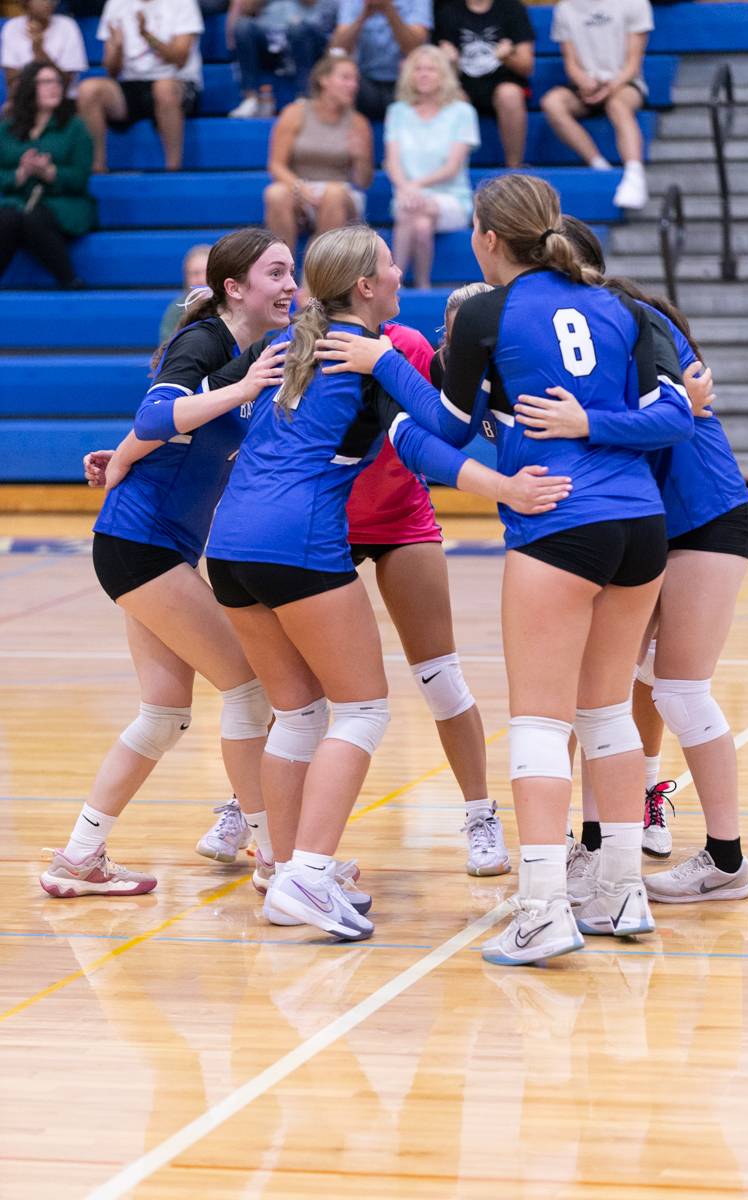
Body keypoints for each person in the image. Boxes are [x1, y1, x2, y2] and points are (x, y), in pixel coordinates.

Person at [315, 174, 694, 964]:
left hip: (560, 524)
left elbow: (446, 427)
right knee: (608, 714)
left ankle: (543, 910)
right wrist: (594, 421)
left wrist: (385, 365)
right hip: (640, 527)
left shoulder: (489, 311)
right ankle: (620, 892)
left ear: (488, 237)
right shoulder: (620, 303)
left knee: (539, 723)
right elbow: (675, 414)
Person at [202, 223, 572, 940]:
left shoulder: (288, 345)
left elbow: (412, 446)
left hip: (231, 543)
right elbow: (445, 431)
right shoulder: (371, 357)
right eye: (388, 264)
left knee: (299, 713)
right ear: (366, 287)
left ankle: (282, 869)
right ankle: (309, 875)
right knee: (363, 712)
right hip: (298, 539)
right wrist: (387, 363)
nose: (401, 269)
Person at [200, 309, 514, 890]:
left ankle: (480, 815)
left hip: (396, 519)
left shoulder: (400, 347)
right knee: (294, 694)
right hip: (317, 526)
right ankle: (258, 816)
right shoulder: (297, 346)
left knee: (438, 678)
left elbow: (430, 431)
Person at [39, 228, 295, 899]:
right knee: (247, 690)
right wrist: (245, 387)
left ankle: (79, 857)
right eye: (277, 273)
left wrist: (118, 458)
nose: (291, 285)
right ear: (235, 287)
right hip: (141, 544)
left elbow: (160, 427)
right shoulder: (208, 339)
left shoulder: (242, 351)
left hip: (152, 542)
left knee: (164, 716)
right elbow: (160, 412)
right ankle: (276, 859)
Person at [513, 216, 748, 904]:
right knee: (603, 693)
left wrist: (591, 423)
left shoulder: (631, 319)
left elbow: (666, 417)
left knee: (677, 689)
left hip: (703, 515)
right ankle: (600, 844)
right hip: (638, 525)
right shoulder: (576, 329)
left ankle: (726, 858)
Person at [540, 0, 653, 210]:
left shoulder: (635, 3)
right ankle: (599, 166)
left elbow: (633, 64)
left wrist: (610, 87)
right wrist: (584, 82)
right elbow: (571, 63)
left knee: (618, 106)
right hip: (586, 86)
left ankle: (635, 174)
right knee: (552, 103)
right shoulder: (565, 8)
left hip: (624, 83)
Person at [384, 44, 479, 289]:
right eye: (418, 69)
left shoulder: (462, 112)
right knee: (421, 224)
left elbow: (452, 167)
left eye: (431, 69)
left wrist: (414, 186)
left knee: (417, 211)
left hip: (450, 198)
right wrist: (406, 188)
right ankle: (418, 285)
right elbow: (392, 161)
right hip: (408, 197)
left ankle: (396, 280)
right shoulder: (397, 112)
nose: (424, 74)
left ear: (443, 75)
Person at [77, 0, 204, 173]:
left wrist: (147, 35)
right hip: (131, 83)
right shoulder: (116, 4)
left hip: (177, 82)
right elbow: (111, 71)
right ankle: (97, 167)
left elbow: (180, 58)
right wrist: (118, 49)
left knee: (164, 89)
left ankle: (173, 169)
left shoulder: (183, 3)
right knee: (88, 90)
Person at [263, 53, 373, 253]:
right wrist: (299, 187)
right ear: (324, 80)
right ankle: (280, 269)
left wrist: (360, 158)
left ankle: (316, 279)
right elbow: (276, 165)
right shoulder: (295, 113)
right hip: (300, 187)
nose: (353, 85)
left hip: (340, 191)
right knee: (275, 193)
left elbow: (363, 182)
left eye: (355, 79)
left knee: (333, 194)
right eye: (346, 78)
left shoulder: (358, 122)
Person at [0, 61, 93, 288]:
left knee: (33, 218)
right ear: (30, 87)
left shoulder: (75, 127)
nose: (54, 88)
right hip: (16, 201)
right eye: (46, 82)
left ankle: (68, 279)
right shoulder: (7, 128)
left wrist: (50, 173)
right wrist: (20, 174)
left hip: (63, 204)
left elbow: (81, 178)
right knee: (9, 218)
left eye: (57, 82)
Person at [435, 0, 533, 169]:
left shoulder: (512, 8)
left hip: (504, 80)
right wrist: (450, 63)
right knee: (452, 97)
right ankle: (454, 169)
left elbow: (527, 67)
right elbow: (442, 75)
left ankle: (514, 168)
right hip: (462, 83)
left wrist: (507, 57)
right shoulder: (447, 11)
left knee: (509, 94)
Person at [226, 0, 338, 116]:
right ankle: (250, 99)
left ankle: (303, 97)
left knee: (298, 29)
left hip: (307, 33)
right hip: (270, 36)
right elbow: (247, 8)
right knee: (243, 26)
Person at [329, 0, 431, 122]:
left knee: (427, 80)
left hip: (406, 81)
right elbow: (338, 48)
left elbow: (414, 49)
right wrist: (363, 16)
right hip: (363, 81)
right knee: (334, 80)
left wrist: (389, 9)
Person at [1, 0, 88, 99]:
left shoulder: (67, 26)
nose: (48, 3)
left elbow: (65, 81)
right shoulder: (11, 27)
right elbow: (12, 81)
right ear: (25, 2)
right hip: (24, 100)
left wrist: (39, 50)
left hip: (62, 101)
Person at [158, 242, 211, 342]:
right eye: (195, 273)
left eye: (206, 272)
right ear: (186, 278)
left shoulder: (230, 305)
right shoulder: (177, 310)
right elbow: (166, 348)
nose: (202, 279)